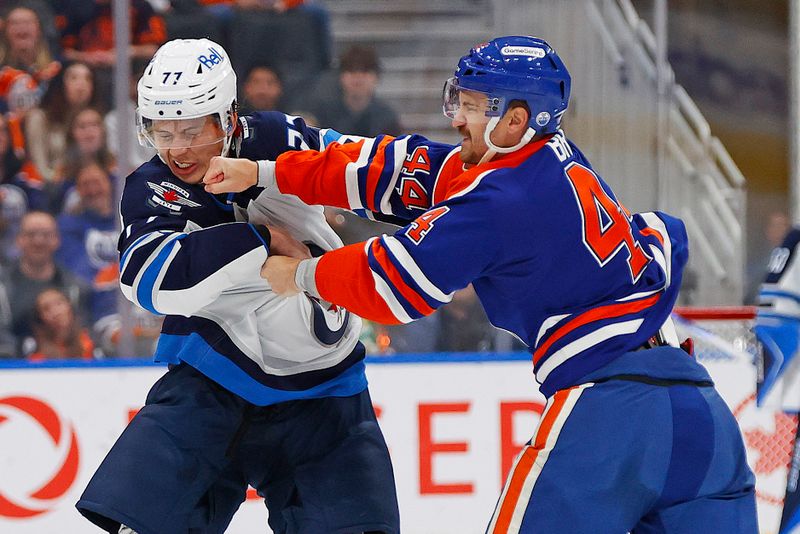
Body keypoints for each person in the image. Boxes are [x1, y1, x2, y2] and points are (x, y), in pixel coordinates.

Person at [205, 36, 757, 532]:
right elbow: (400, 171)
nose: (458, 118)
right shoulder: (545, 159)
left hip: (614, 416)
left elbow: (391, 282)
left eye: (471, 106)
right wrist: (269, 173)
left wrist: (299, 272)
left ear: (516, 119)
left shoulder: (502, 200)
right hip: (700, 410)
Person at [75, 38, 399, 534]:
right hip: (211, 384)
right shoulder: (153, 185)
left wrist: (459, 193)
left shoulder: (278, 137)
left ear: (226, 120)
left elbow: (369, 169)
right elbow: (147, 278)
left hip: (323, 395)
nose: (177, 149)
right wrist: (262, 241)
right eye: (161, 132)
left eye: (190, 131)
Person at [0, 210, 89, 351]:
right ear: (19, 240)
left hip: (64, 366)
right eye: (31, 234)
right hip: (12, 367)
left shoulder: (76, 288)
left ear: (57, 240)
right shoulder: (2, 286)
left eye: (46, 235)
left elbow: (83, 333)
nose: (38, 241)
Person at [308, 44, 402, 137]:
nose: (358, 77)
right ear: (341, 77)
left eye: (365, 71)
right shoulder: (322, 114)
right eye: (351, 71)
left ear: (376, 77)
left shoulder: (387, 118)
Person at [26, 286, 95, 361]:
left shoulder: (91, 340)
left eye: (59, 304)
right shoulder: (35, 351)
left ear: (69, 306)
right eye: (46, 308)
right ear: (40, 318)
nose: (56, 312)